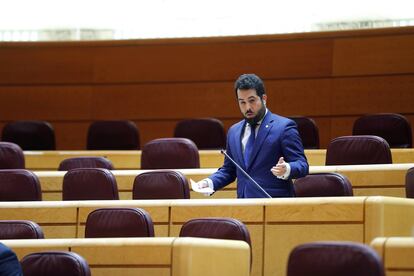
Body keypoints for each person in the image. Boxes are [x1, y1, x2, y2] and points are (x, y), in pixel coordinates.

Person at [196, 73, 308, 198]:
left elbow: (302, 165)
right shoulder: (234, 131)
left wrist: (287, 168)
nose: (247, 107)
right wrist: (210, 182)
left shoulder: (284, 127)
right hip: (244, 207)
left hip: (275, 205)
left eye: (252, 100)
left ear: (264, 98)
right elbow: (229, 170)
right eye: (242, 102)